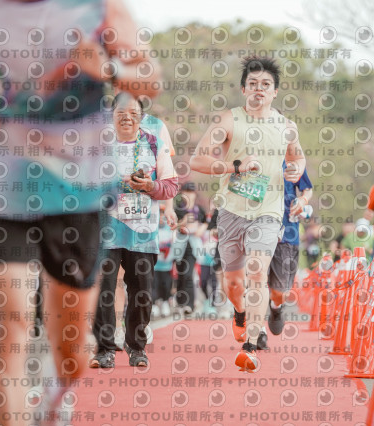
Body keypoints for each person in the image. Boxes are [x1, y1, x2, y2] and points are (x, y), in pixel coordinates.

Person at [0, 0, 162, 422]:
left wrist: (106, 69)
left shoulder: (98, 8)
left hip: (77, 194)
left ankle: (55, 393)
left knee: (72, 352)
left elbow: (150, 78)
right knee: (7, 336)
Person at [190, 56, 306, 372]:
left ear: (275, 92)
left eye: (265, 84)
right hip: (231, 211)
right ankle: (239, 312)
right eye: (252, 84)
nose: (259, 89)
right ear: (243, 89)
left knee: (257, 273)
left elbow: (298, 159)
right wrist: (235, 166)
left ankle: (250, 346)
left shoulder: (287, 127)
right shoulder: (229, 120)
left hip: (268, 212)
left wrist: (296, 170)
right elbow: (198, 161)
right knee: (233, 282)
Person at [90, 92, 177, 369]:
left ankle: (136, 347)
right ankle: (104, 349)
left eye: (133, 113)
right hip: (104, 231)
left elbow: (171, 185)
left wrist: (150, 186)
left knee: (142, 292)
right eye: (120, 113)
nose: (127, 117)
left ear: (142, 117)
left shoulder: (154, 143)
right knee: (103, 289)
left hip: (142, 232)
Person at [263, 164, 312, 349]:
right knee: (255, 283)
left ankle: (276, 307)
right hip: (257, 231)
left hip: (287, 234)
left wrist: (303, 201)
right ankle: (257, 331)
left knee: (280, 291)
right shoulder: (253, 156)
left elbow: (307, 189)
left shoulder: (292, 160)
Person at [170, 182, 208, 316]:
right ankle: (180, 302)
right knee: (181, 274)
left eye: (191, 192)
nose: (189, 195)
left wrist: (201, 228)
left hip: (193, 245)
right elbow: (173, 225)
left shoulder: (199, 209)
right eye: (186, 192)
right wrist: (184, 222)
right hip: (180, 244)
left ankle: (189, 304)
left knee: (189, 273)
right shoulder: (177, 209)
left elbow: (206, 222)